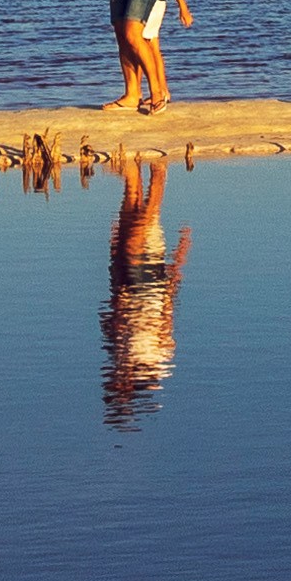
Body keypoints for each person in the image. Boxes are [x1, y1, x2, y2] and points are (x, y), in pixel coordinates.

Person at [100, 155, 185, 423]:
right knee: (144, 224)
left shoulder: (118, 355)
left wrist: (113, 262)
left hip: (126, 280)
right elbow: (166, 319)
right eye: (115, 386)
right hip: (150, 286)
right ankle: (159, 168)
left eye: (111, 383)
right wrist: (177, 266)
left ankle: (135, 168)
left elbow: (111, 314)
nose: (112, 378)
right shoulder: (157, 360)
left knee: (130, 203)